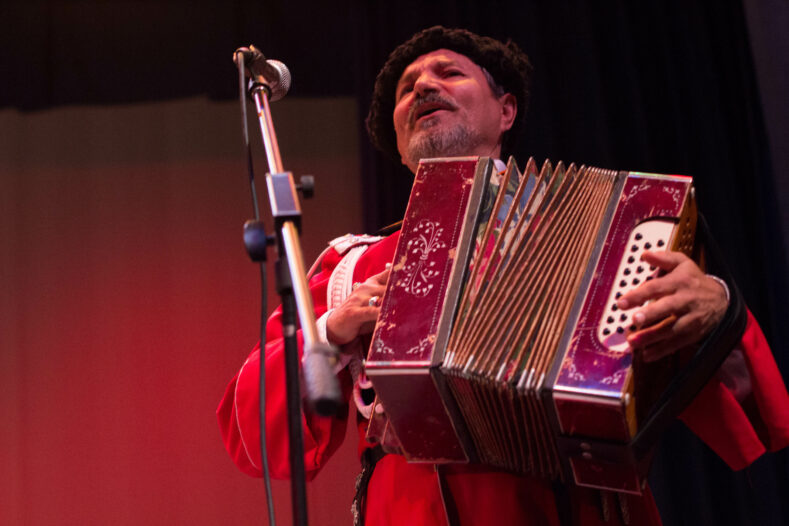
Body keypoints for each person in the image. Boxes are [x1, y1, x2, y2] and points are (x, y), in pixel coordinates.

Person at [218, 26, 789, 526]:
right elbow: (253, 437)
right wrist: (332, 331)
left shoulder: (603, 231)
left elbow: (744, 412)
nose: (423, 85)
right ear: (398, 142)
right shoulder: (350, 267)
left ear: (506, 111)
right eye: (406, 88)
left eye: (449, 73)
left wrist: (717, 311)